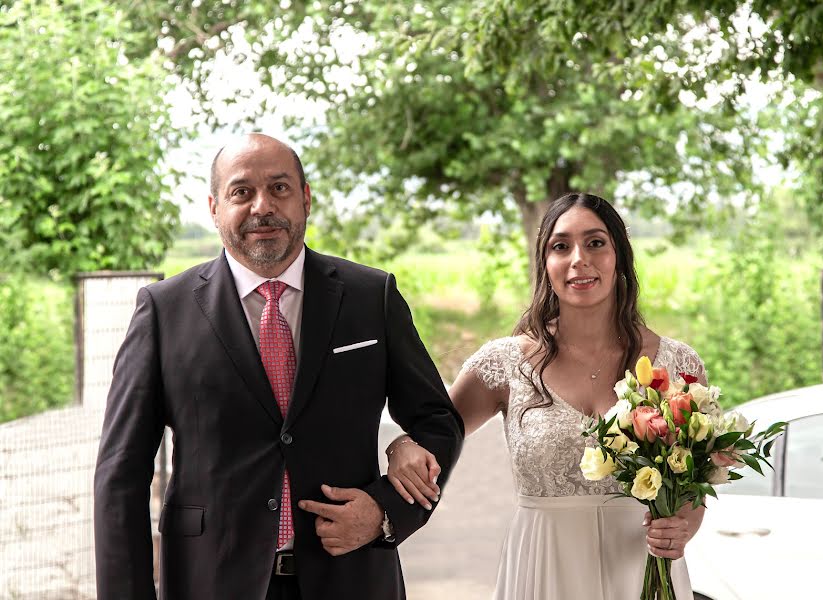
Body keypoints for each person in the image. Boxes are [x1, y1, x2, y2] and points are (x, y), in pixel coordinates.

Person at [93, 133, 464, 600]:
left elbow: (438, 421)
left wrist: (384, 510)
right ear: (214, 208)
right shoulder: (163, 311)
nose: (262, 206)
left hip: (351, 580)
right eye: (241, 192)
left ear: (306, 199)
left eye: (280, 188)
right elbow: (120, 473)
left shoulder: (372, 297)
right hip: (211, 582)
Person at [386, 193, 706, 599]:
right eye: (561, 246)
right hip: (544, 569)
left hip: (641, 570)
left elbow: (694, 488)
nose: (579, 259)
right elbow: (434, 432)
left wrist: (682, 528)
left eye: (595, 242)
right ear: (545, 262)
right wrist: (400, 445)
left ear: (619, 256)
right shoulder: (505, 363)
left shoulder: (677, 363)